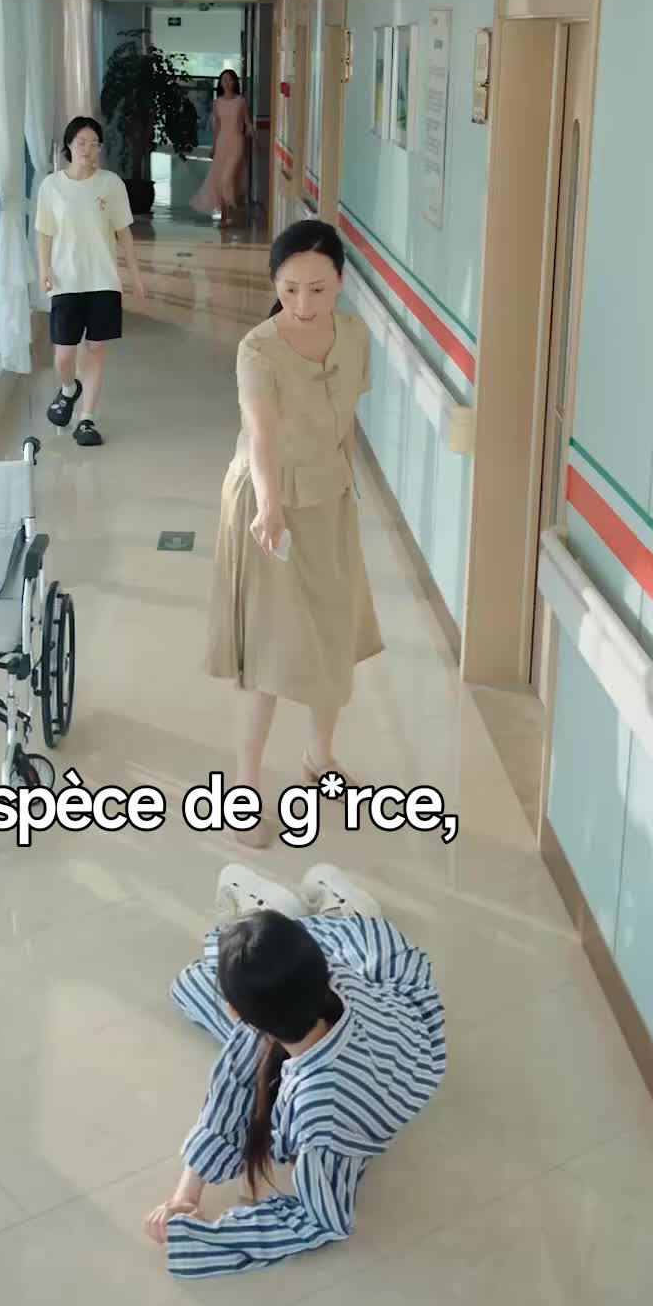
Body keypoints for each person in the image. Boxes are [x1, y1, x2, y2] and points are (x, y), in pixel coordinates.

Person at [143, 863, 446, 1276]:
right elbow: (236, 1084)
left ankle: (335, 913)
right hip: (383, 1008)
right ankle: (308, 921)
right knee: (199, 985)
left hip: (381, 1033)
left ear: (238, 1015)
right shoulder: (321, 982)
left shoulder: (323, 1114)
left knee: (190, 986)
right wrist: (186, 1195)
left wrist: (205, 1237)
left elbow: (322, 1218)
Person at [206, 219, 383, 843]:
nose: (303, 304)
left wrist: (342, 483)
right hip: (268, 506)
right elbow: (262, 433)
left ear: (341, 282)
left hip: (328, 497)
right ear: (274, 285)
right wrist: (270, 506)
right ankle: (245, 791)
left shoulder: (355, 337)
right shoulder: (257, 349)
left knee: (333, 634)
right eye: (289, 290)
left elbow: (344, 419)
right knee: (270, 652)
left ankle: (318, 758)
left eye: (318, 289)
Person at [35, 116, 146, 448]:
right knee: (64, 355)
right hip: (66, 280)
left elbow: (124, 232)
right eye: (81, 142)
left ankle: (86, 418)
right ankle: (69, 389)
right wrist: (44, 269)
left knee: (96, 349)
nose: (87, 149)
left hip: (103, 280)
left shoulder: (111, 184)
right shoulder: (51, 187)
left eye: (94, 144)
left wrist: (135, 274)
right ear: (69, 145)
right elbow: (44, 233)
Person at [191, 69, 253, 225]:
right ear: (220, 83)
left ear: (235, 82)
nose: (227, 83)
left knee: (227, 178)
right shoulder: (217, 103)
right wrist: (213, 147)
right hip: (222, 143)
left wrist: (251, 133)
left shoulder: (241, 101)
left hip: (237, 143)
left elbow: (247, 122)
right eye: (224, 80)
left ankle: (233, 209)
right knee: (220, 179)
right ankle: (225, 216)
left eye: (230, 80)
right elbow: (217, 128)